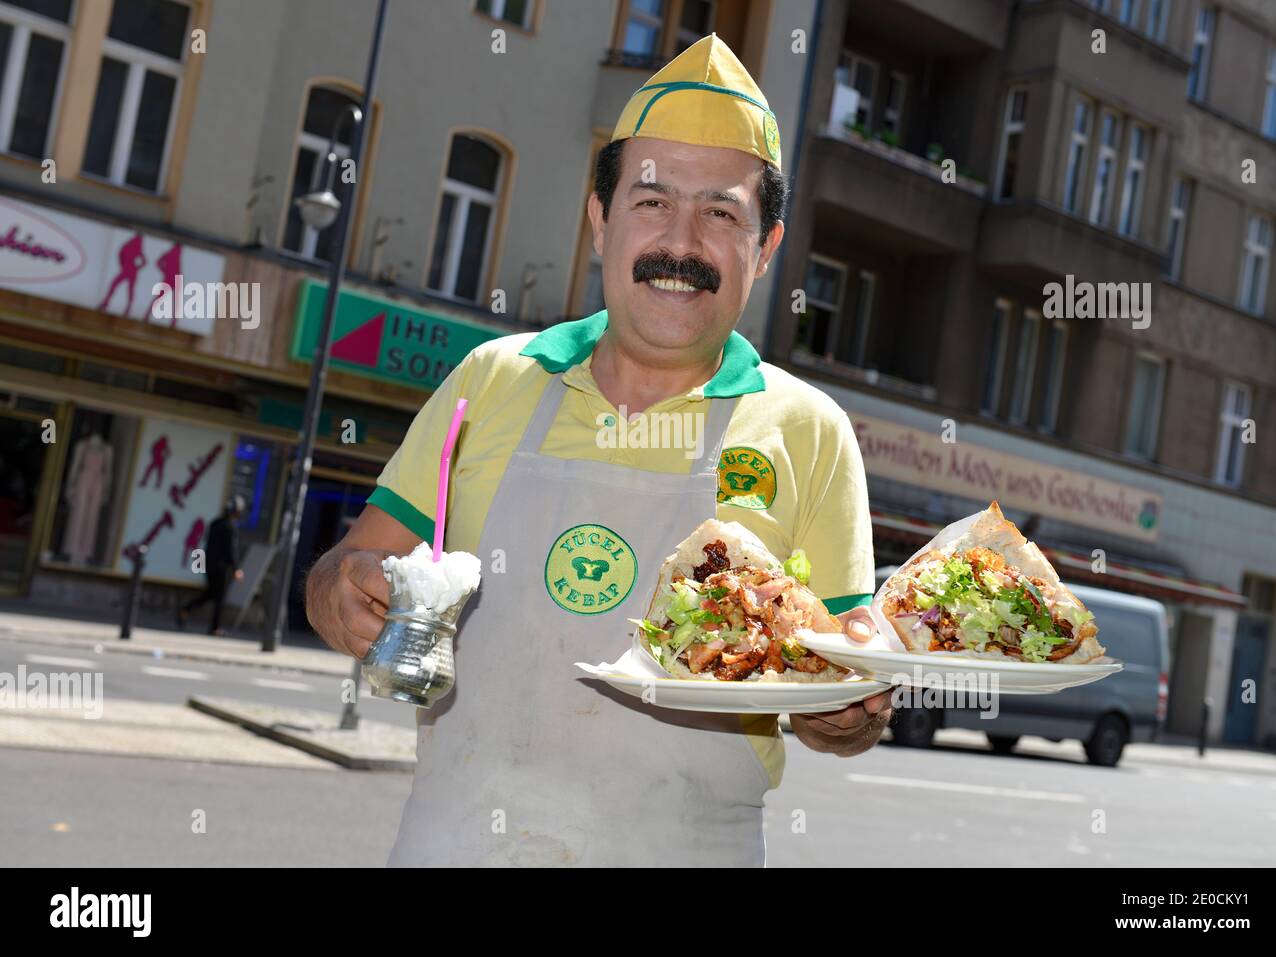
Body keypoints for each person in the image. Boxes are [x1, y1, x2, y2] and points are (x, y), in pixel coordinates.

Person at [305, 34, 890, 867]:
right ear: (598, 220)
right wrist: (343, 595)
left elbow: (843, 685)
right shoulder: (491, 381)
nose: (680, 242)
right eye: (651, 202)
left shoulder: (811, 431)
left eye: (721, 212)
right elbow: (348, 570)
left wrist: (852, 709)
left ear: (764, 248)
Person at [178, 495, 245, 636]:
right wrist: (236, 568)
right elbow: (231, 550)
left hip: (208, 564)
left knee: (211, 593)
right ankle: (214, 627)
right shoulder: (230, 527)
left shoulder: (215, 523)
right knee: (219, 597)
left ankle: (186, 609)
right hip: (222, 567)